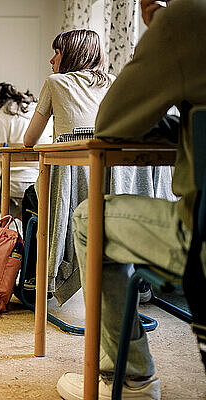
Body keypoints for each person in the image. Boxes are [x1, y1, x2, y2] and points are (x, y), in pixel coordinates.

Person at [57, 0, 206, 399]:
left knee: (88, 219)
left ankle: (131, 377)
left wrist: (161, 26)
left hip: (201, 240)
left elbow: (111, 123)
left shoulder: (185, 19)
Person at [21, 29, 175, 302]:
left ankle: (38, 278)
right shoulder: (114, 83)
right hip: (114, 181)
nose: (51, 59)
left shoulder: (55, 82)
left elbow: (29, 140)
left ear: (72, 54)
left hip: (72, 183)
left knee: (31, 197)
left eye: (56, 52)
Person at [0, 83, 52, 219]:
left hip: (12, 182)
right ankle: (27, 216)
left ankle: (18, 216)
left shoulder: (2, 114)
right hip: (41, 180)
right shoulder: (39, 109)